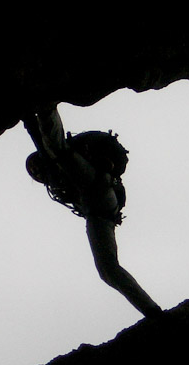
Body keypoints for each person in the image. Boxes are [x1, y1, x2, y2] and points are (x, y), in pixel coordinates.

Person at [24, 104, 163, 318]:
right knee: (107, 270)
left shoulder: (51, 161)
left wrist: (29, 117)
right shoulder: (54, 173)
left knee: (57, 149)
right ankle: (152, 311)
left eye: (35, 167)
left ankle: (46, 105)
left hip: (95, 187)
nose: (36, 172)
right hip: (100, 210)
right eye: (33, 172)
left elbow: (39, 137)